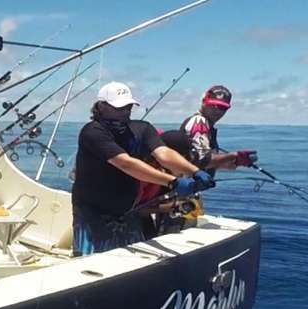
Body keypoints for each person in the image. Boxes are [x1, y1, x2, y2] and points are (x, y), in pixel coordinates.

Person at [71, 82, 213, 256]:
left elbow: (164, 153)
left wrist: (194, 171)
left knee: (133, 261)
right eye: (119, 107)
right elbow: (125, 163)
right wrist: (172, 182)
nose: (125, 111)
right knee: (91, 263)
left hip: (128, 211)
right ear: (101, 106)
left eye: (128, 106)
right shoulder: (93, 132)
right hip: (92, 213)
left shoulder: (142, 128)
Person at [180, 85, 258, 173]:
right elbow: (202, 160)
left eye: (222, 107)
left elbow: (199, 162)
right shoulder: (199, 122)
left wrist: (235, 162)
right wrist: (233, 156)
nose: (217, 111)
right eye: (213, 105)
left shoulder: (207, 125)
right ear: (203, 102)